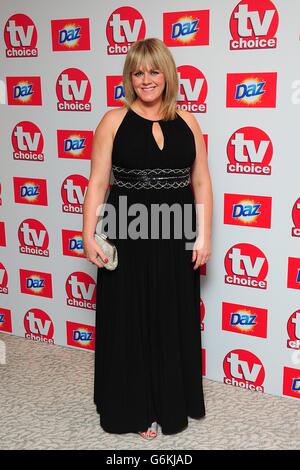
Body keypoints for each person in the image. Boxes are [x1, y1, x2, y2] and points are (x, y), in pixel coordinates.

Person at [82, 37, 213, 439]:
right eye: (138, 72)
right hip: (129, 233)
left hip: (176, 234)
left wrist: (203, 234)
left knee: (170, 318)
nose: (146, 79)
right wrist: (88, 235)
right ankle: (134, 409)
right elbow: (98, 182)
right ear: (130, 78)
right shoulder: (113, 121)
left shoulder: (188, 121)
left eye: (154, 71)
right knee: (131, 321)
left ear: (166, 74)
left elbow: (202, 181)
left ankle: (170, 403)